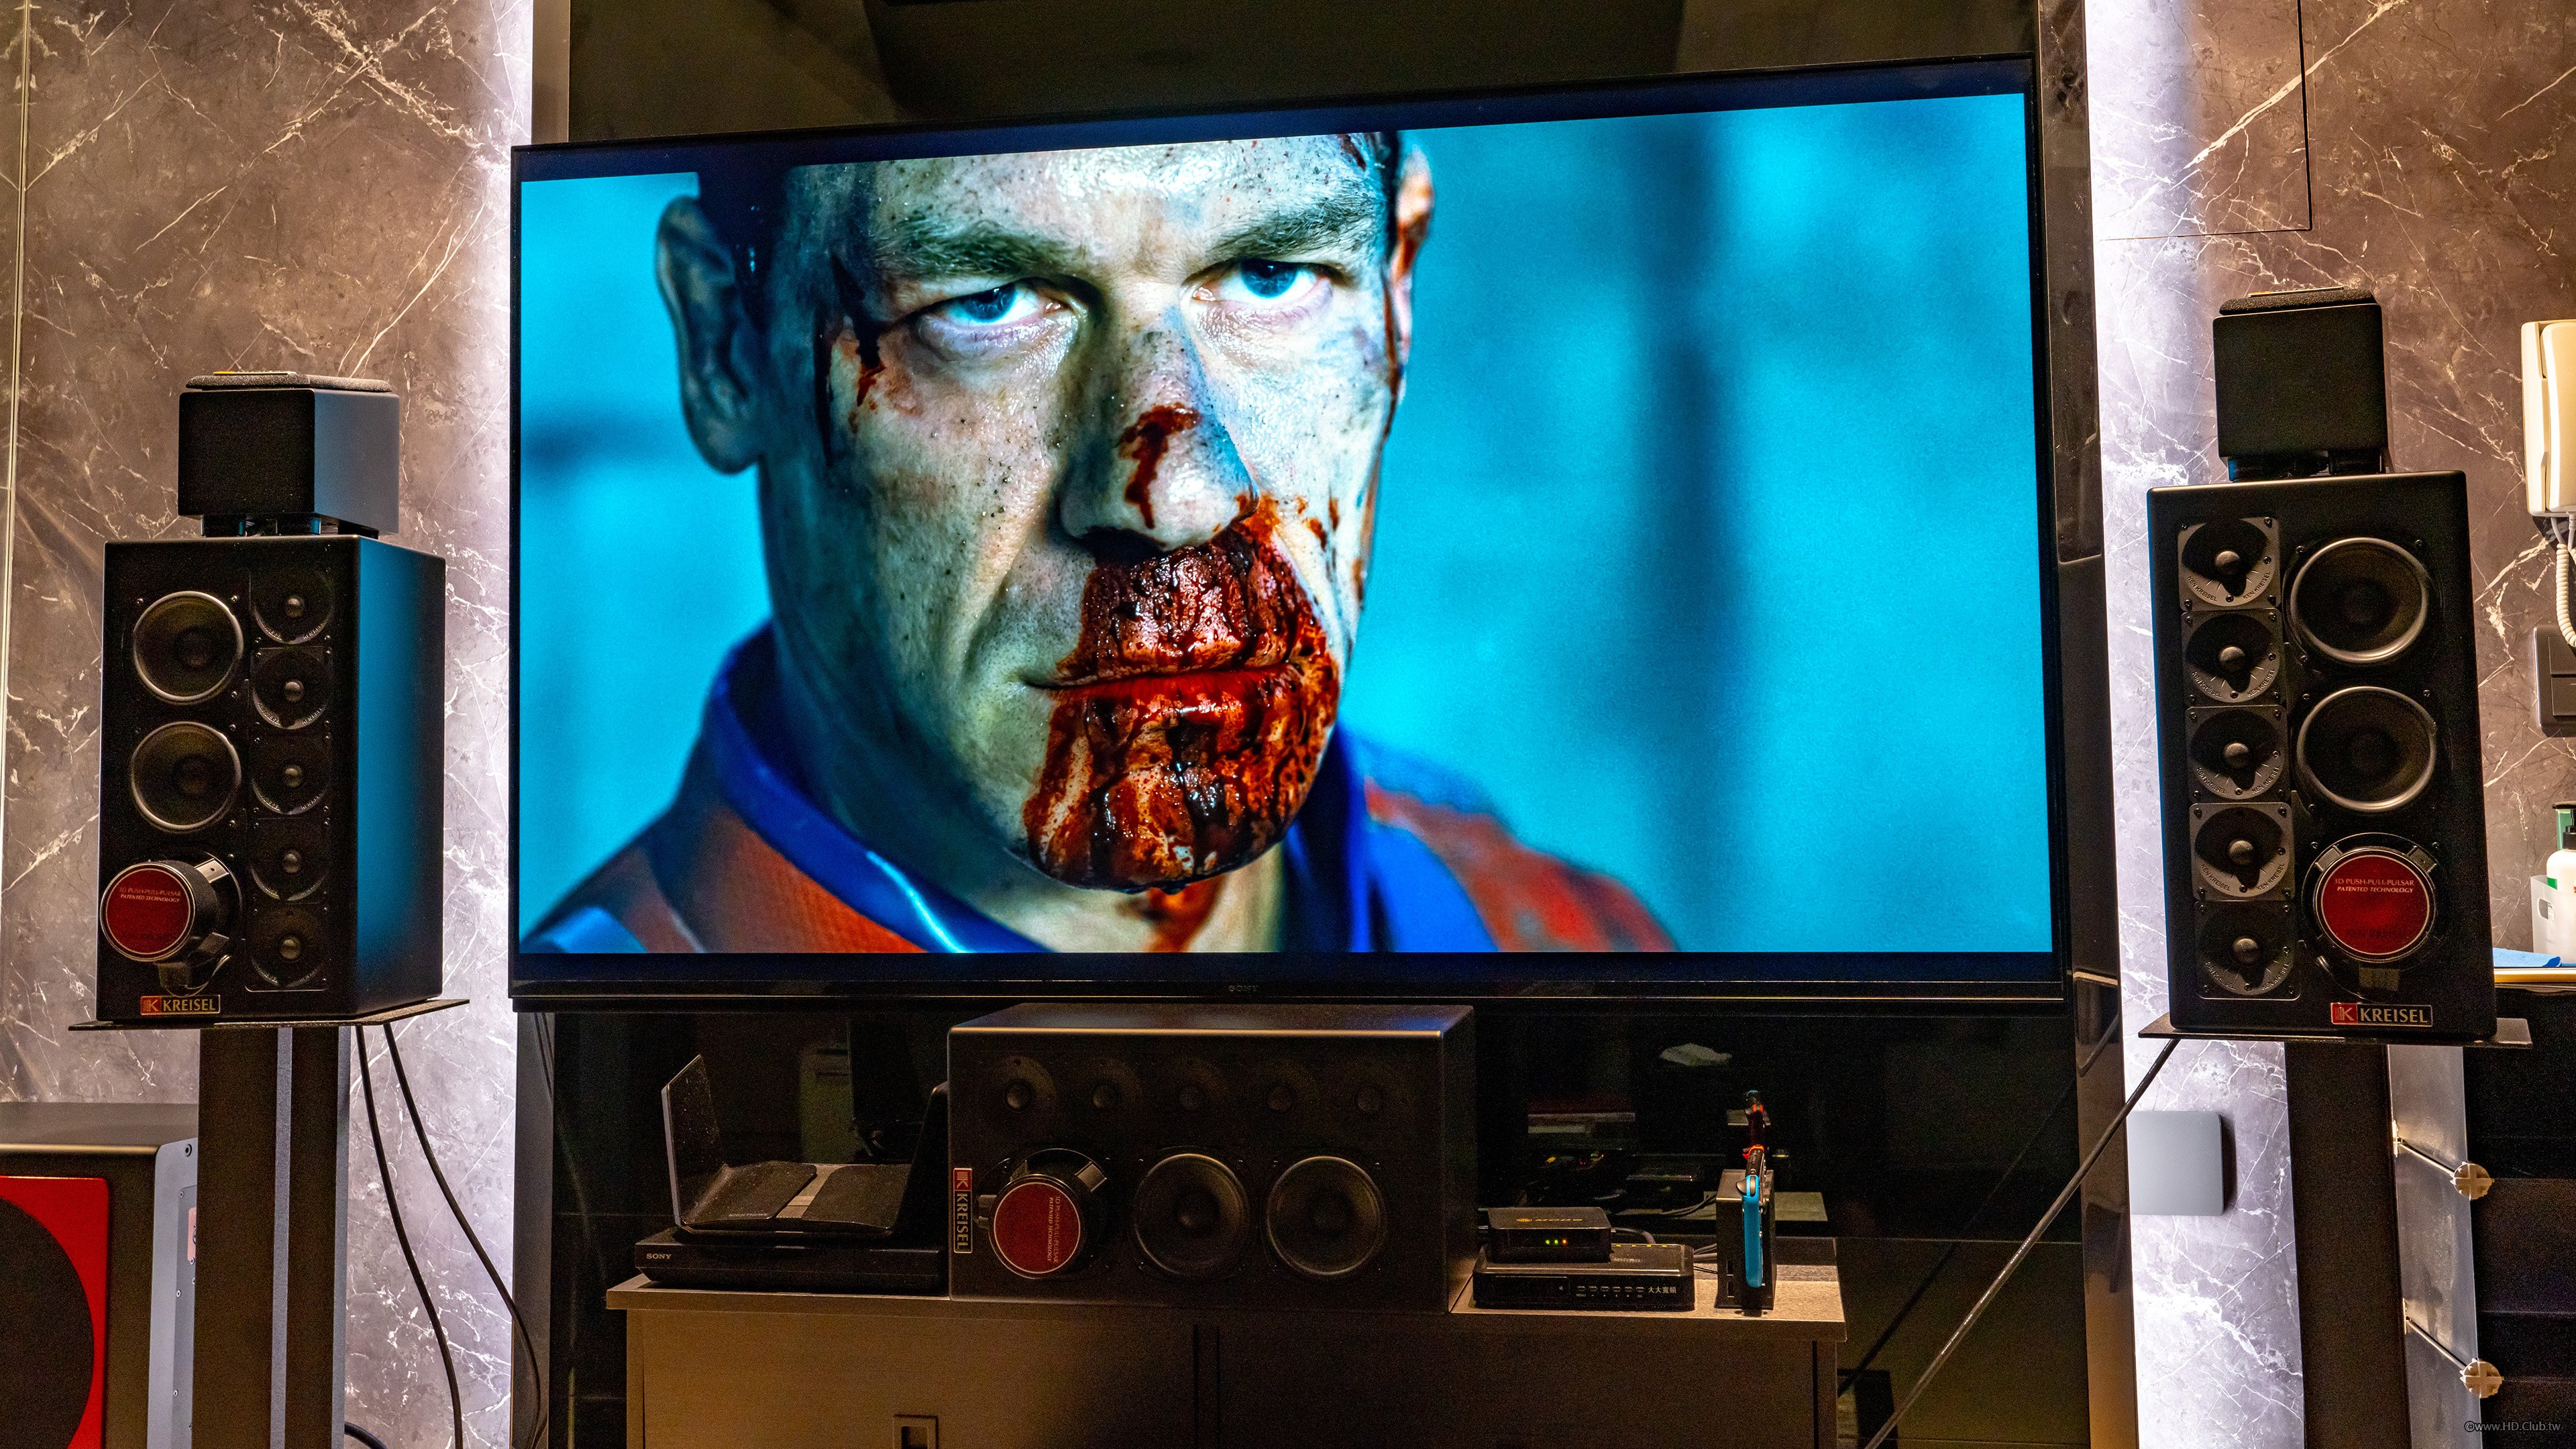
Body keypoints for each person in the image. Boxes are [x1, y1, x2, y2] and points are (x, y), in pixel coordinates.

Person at [526, 132, 1668, 955]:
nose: (1173, 496)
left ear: (1395, 294)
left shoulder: (1573, 945)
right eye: (987, 302)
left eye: (1271, 276)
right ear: (728, 348)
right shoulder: (555, 1123)